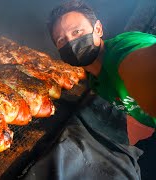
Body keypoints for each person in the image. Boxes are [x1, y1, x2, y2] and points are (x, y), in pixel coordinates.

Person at [46, 0, 156, 145]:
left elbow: (142, 60)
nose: (71, 43)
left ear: (98, 29)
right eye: (61, 40)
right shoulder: (94, 81)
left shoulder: (123, 49)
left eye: (77, 31)